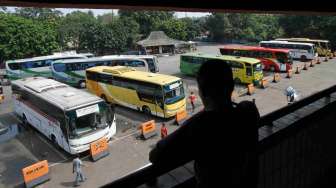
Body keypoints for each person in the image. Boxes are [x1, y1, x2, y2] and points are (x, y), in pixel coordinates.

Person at [149, 60, 260, 188]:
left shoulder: (199, 125)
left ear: (202, 93)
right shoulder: (247, 112)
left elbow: (156, 155)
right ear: (232, 86)